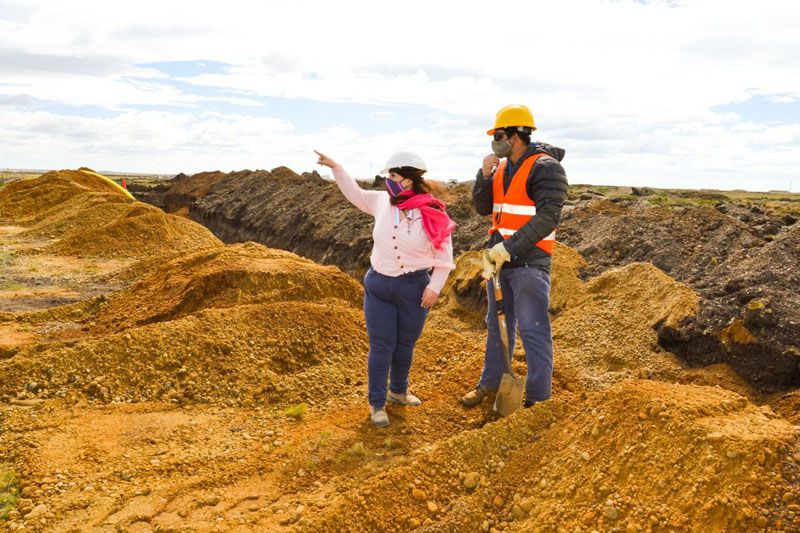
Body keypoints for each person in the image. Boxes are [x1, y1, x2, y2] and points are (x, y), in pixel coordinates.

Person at [315, 149, 455, 427]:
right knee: (382, 346)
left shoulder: (433, 212)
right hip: (379, 284)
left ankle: (398, 392)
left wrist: (435, 288)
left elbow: (444, 257)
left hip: (414, 287)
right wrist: (337, 167)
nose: (387, 181)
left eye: (392, 176)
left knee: (405, 345)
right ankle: (377, 404)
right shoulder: (381, 202)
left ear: (409, 179)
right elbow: (354, 192)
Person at [461, 104, 568, 409]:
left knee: (534, 330)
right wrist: (483, 177)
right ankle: (491, 382)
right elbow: (484, 208)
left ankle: (537, 401)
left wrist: (508, 248)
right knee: (497, 326)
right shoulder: (500, 168)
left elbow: (548, 217)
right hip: (499, 262)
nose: (494, 140)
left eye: (497, 135)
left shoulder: (546, 168)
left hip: (529, 263)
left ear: (514, 136)